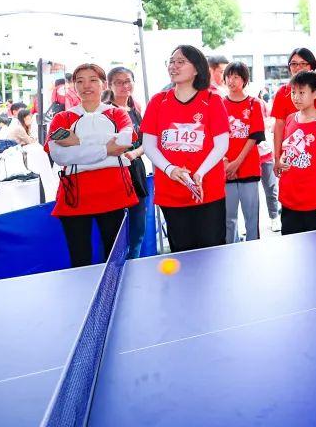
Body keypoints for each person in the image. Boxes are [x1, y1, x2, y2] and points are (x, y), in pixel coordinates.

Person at [47, 63, 137, 267]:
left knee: (115, 260)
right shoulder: (62, 118)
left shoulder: (117, 114)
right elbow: (59, 156)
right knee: (80, 260)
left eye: (93, 80)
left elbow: (123, 142)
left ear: (103, 84)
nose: (86, 85)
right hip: (75, 196)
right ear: (74, 86)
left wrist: (78, 142)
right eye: (80, 81)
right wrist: (106, 149)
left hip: (113, 192)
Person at [142, 45, 230, 253]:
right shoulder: (158, 101)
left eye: (181, 62)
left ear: (197, 68)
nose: (174, 66)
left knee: (213, 251)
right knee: (181, 252)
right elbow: (149, 145)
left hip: (207, 190)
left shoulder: (212, 100)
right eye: (171, 61)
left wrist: (199, 174)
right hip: (171, 192)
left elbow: (221, 145)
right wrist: (170, 169)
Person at [278, 71, 316, 235]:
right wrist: (282, 160)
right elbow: (286, 150)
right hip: (289, 198)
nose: (296, 97)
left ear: (315, 94)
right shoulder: (290, 119)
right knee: (290, 244)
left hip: (314, 200)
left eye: (302, 92)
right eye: (293, 92)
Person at [105, 66, 149, 259]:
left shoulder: (136, 109)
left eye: (128, 81)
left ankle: (134, 265)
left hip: (136, 172)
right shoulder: (106, 112)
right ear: (110, 85)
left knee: (138, 229)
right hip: (114, 173)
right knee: (115, 234)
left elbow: (146, 142)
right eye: (119, 82)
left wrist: (135, 153)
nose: (124, 86)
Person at [219, 61, 265, 243]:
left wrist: (237, 162)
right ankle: (230, 249)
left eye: (236, 77)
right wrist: (225, 162)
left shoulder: (254, 103)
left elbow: (254, 136)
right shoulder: (220, 104)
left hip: (249, 168)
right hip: (225, 170)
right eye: (228, 76)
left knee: (251, 218)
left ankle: (253, 250)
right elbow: (215, 136)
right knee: (228, 219)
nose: (231, 81)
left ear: (245, 80)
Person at [272, 47, 316, 173]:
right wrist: (277, 158)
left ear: (312, 66)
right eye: (294, 64)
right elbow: (279, 127)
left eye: (303, 63)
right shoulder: (283, 92)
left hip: (315, 155)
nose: (298, 67)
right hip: (290, 155)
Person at [257, 95, 281, 232]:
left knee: (271, 188)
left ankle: (274, 217)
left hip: (265, 154)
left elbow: (271, 122)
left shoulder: (261, 103)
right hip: (247, 157)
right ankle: (251, 224)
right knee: (249, 194)